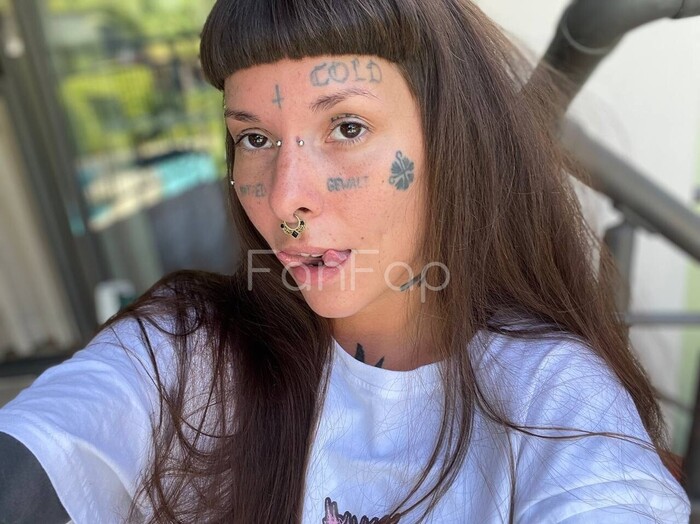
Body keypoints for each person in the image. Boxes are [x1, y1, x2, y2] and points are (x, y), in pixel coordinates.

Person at [0, 0, 691, 522]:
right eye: (254, 138)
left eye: (347, 127)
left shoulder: (551, 395)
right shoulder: (190, 351)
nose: (285, 198)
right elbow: (49, 448)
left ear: (450, 142)